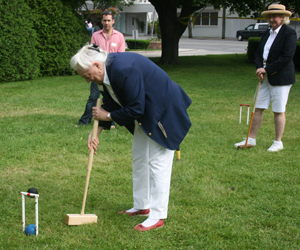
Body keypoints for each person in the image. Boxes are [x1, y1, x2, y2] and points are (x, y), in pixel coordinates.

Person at [70, 44, 192, 231]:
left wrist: (108, 117)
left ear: (96, 65)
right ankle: (142, 205)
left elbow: (135, 107)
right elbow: (111, 103)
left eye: (87, 75)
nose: (88, 81)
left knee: (158, 162)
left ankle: (158, 215)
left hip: (164, 111)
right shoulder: (105, 73)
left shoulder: (122, 69)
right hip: (147, 113)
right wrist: (96, 132)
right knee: (140, 156)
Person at [235, 4, 297, 152]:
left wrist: (267, 69)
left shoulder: (289, 33)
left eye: (275, 16)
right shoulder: (266, 33)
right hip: (264, 77)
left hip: (281, 78)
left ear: (283, 17)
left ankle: (278, 142)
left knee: (278, 110)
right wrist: (259, 68)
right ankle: (251, 138)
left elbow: (286, 57)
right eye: (269, 16)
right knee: (258, 107)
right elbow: (258, 54)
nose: (271, 18)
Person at [76, 11, 125, 128]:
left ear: (113, 21)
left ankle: (112, 122)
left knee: (113, 97)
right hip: (98, 72)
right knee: (94, 96)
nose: (107, 23)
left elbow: (121, 56)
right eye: (105, 20)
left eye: (109, 20)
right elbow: (91, 53)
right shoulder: (96, 35)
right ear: (102, 21)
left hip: (112, 73)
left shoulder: (119, 36)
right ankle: (84, 121)